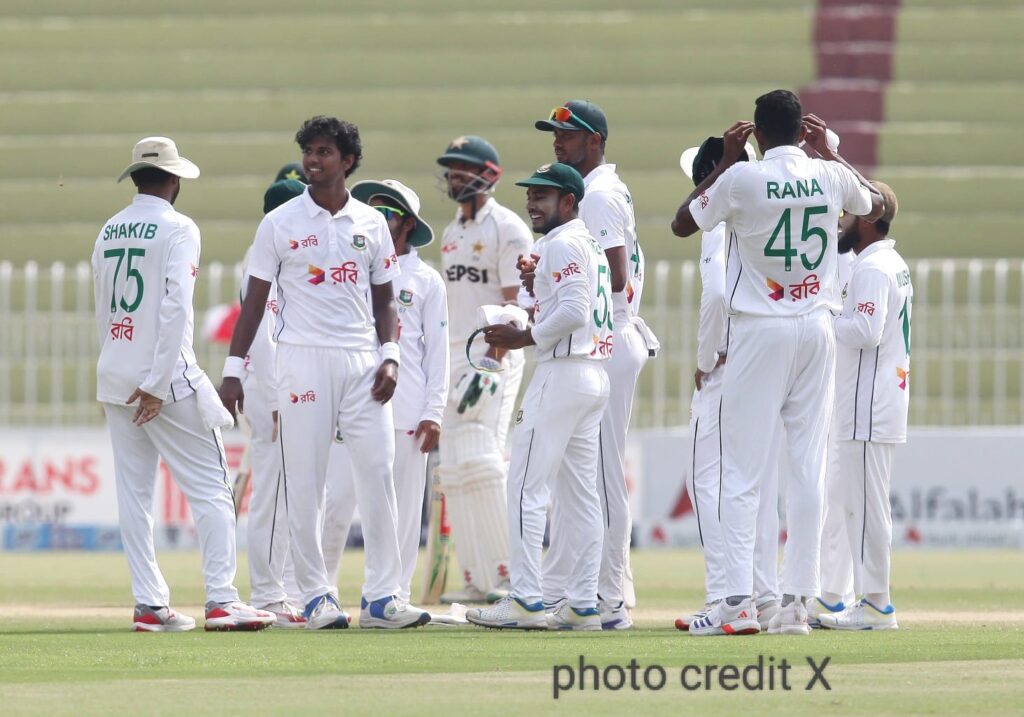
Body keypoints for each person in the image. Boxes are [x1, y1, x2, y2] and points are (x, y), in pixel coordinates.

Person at [671, 90, 884, 636]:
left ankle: (740, 604)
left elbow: (681, 224)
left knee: (742, 471)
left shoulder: (741, 179)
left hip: (760, 329)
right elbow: (873, 204)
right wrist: (829, 154)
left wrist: (721, 162)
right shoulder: (827, 175)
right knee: (806, 470)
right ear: (801, 130)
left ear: (757, 135)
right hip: (816, 328)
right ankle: (794, 607)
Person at [218, 116, 430, 630]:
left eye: (324, 152)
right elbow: (253, 307)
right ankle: (315, 595)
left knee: (378, 474)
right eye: (309, 151)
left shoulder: (371, 224)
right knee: (306, 481)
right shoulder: (279, 224)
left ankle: (382, 598)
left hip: (363, 362)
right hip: (302, 358)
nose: (313, 161)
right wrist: (233, 371)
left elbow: (385, 301)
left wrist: (391, 355)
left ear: (348, 161)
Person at [94, 136, 274, 632]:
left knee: (134, 495)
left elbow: (105, 309)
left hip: (115, 373)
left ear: (135, 179)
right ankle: (221, 600)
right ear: (174, 181)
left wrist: (113, 374)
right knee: (214, 489)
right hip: (164, 379)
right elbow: (175, 308)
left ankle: (150, 604)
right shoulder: (178, 227)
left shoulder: (108, 229)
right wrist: (154, 381)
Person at [466, 162, 612, 631]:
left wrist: (522, 338)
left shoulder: (565, 241)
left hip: (564, 373)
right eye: (531, 194)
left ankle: (527, 601)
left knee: (526, 486)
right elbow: (567, 301)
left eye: (544, 195)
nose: (532, 201)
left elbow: (572, 310)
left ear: (569, 202)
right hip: (592, 374)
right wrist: (538, 285)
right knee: (581, 496)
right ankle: (583, 604)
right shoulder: (581, 241)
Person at [533, 100, 658, 629]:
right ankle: (575, 590)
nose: (559, 142)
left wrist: (553, 275)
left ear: (596, 141)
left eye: (570, 134)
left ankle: (608, 597)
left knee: (600, 476)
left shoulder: (600, 195)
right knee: (580, 476)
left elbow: (613, 277)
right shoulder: (600, 192)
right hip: (605, 341)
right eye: (556, 134)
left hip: (606, 341)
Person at [321, 179, 449, 605]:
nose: (376, 221)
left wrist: (435, 412)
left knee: (403, 515)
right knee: (336, 503)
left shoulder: (427, 280)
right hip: (354, 403)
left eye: (386, 214)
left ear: (408, 223)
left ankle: (393, 596)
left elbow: (438, 353)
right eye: (371, 211)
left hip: (408, 412)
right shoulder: (352, 266)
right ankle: (318, 591)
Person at [672, 137, 782, 632]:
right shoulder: (769, 208)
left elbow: (716, 294)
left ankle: (725, 596)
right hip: (772, 355)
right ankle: (765, 596)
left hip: (730, 365)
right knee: (755, 484)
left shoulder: (719, 218)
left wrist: (705, 356)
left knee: (710, 484)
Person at [434, 135, 533, 604]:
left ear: (486, 174)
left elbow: (516, 304)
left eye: (461, 168)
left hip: (494, 352)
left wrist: (490, 362)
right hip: (454, 354)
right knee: (453, 468)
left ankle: (510, 575)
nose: (454, 177)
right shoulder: (452, 233)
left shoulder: (508, 228)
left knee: (484, 458)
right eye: (450, 169)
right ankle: (476, 576)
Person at [819, 181, 908, 631]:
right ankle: (867, 600)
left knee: (868, 508)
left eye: (851, 213)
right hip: (876, 402)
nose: (843, 220)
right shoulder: (889, 262)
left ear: (869, 220)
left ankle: (877, 604)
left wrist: (826, 312)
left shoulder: (873, 267)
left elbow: (866, 331)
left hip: (869, 405)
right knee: (862, 506)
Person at [239, 178, 308, 628]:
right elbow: (263, 338)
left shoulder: (273, 256)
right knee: (275, 492)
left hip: (282, 387)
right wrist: (276, 393)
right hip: (273, 389)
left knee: (289, 493)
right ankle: (268, 593)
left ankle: (283, 590)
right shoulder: (265, 258)